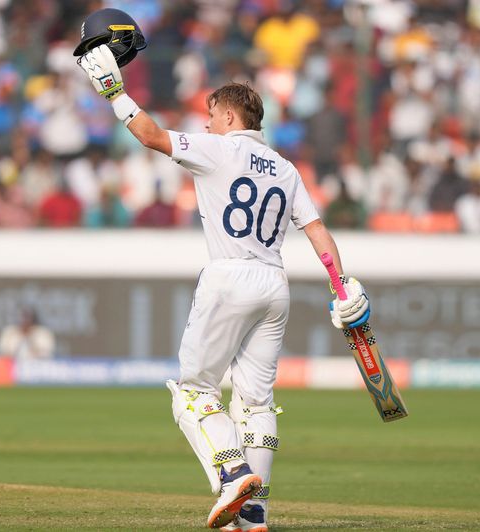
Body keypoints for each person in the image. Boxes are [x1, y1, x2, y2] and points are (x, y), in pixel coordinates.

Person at [77, 44, 371, 530]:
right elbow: (317, 232)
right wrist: (342, 288)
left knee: (193, 392)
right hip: (275, 286)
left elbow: (149, 136)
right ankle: (254, 512)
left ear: (231, 115)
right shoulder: (286, 168)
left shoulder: (217, 147)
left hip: (229, 274)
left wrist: (115, 93)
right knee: (256, 403)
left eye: (212, 114)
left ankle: (232, 473)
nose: (207, 123)